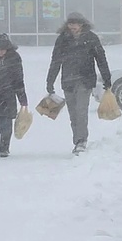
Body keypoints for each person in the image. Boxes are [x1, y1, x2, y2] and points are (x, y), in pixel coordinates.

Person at [45, 12, 112, 154]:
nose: (72, 27)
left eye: (75, 24)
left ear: (81, 24)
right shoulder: (62, 39)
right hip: (68, 80)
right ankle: (77, 140)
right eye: (70, 24)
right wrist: (50, 81)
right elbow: (55, 60)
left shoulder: (91, 38)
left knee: (81, 111)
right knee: (73, 113)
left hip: (85, 80)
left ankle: (81, 141)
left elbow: (101, 59)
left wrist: (106, 78)